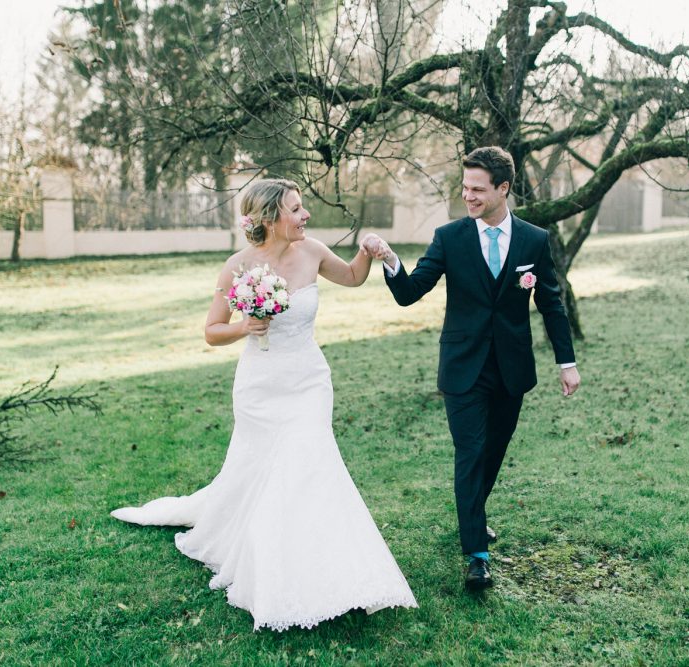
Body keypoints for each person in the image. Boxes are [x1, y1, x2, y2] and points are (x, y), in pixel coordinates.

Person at [111, 178, 417, 632]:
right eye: (296, 208)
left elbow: (352, 277)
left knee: (310, 462)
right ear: (271, 218)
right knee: (262, 471)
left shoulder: (313, 251)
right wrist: (245, 326)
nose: (305, 215)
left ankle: (328, 559)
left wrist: (367, 252)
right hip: (260, 387)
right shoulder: (237, 266)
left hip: (309, 381)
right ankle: (273, 559)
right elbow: (212, 330)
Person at [365, 146, 580, 590]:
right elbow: (410, 292)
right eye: (465, 187)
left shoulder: (534, 240)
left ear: (503, 189)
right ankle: (477, 556)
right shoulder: (450, 238)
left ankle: (473, 515)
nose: (468, 196)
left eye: (478, 189)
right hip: (463, 367)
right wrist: (390, 260)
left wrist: (567, 362)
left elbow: (551, 303)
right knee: (470, 452)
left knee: (494, 451)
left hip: (511, 368)